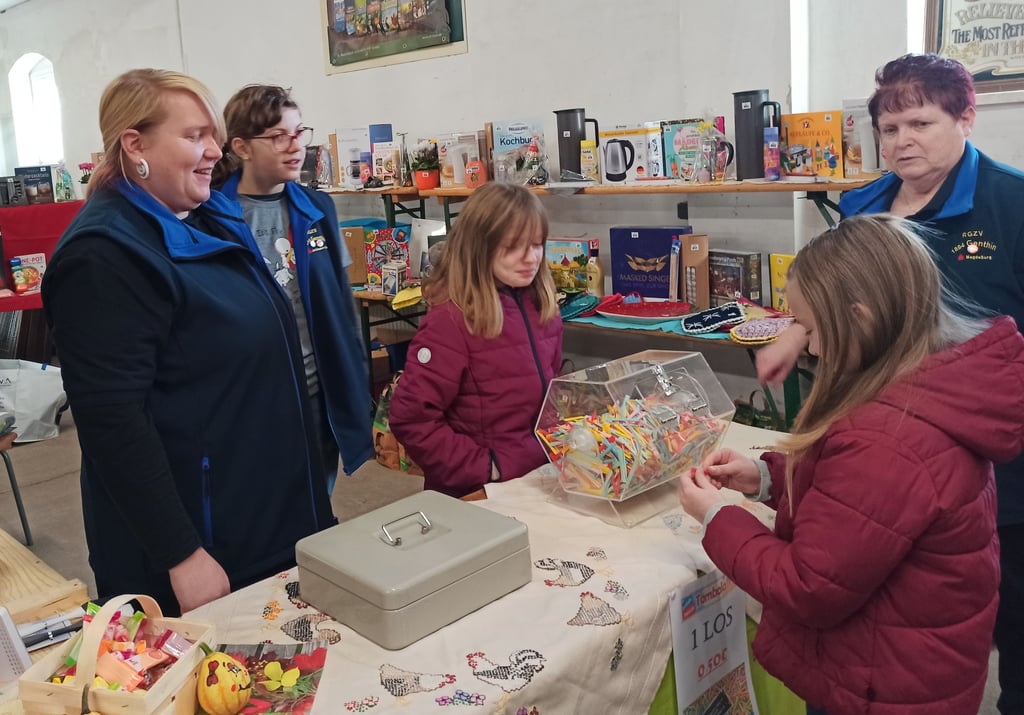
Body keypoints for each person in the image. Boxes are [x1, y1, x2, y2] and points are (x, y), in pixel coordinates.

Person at [756, 53, 1024, 714]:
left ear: (966, 116)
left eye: (920, 122)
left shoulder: (1013, 203)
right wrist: (796, 332)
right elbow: (839, 296)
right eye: (889, 126)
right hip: (879, 440)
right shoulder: (863, 202)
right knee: (887, 606)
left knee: (1001, 613)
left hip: (987, 450)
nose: (902, 139)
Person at [679, 214, 1024, 715]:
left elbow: (808, 585)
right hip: (908, 662)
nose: (810, 347)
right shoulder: (924, 383)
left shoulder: (890, 438)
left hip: (883, 685)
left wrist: (717, 517)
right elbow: (861, 512)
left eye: (811, 329)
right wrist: (769, 477)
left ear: (859, 318)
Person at [41, 69, 335, 615]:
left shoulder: (208, 218)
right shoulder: (103, 256)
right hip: (205, 540)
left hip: (268, 506)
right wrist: (182, 554)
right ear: (135, 144)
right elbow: (112, 423)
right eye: (194, 135)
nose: (214, 151)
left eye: (215, 137)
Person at [212, 84, 373, 493]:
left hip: (319, 392)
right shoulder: (211, 216)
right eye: (278, 137)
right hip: (255, 398)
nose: (295, 146)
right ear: (242, 147)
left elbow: (340, 301)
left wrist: (356, 375)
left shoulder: (318, 208)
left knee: (319, 499)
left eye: (299, 132)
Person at [388, 182, 562, 498]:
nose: (530, 258)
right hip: (479, 492)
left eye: (537, 244)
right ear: (479, 247)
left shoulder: (544, 308)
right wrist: (486, 466)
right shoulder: (450, 321)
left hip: (538, 477)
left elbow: (551, 393)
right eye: (512, 247)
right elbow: (410, 419)